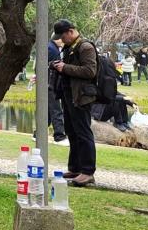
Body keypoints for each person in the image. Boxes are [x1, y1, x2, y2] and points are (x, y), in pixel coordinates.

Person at [50, 19, 97, 187]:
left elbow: (90, 71)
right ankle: (75, 168)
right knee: (72, 132)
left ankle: (88, 171)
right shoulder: (71, 47)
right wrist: (56, 66)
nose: (61, 40)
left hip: (81, 97)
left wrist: (65, 68)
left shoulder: (86, 47)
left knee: (84, 133)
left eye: (63, 36)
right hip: (69, 96)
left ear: (70, 32)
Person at [47, 36, 69, 147]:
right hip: (51, 84)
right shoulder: (52, 49)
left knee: (48, 111)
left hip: (49, 83)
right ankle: (59, 136)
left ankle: (37, 134)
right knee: (56, 109)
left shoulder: (51, 47)